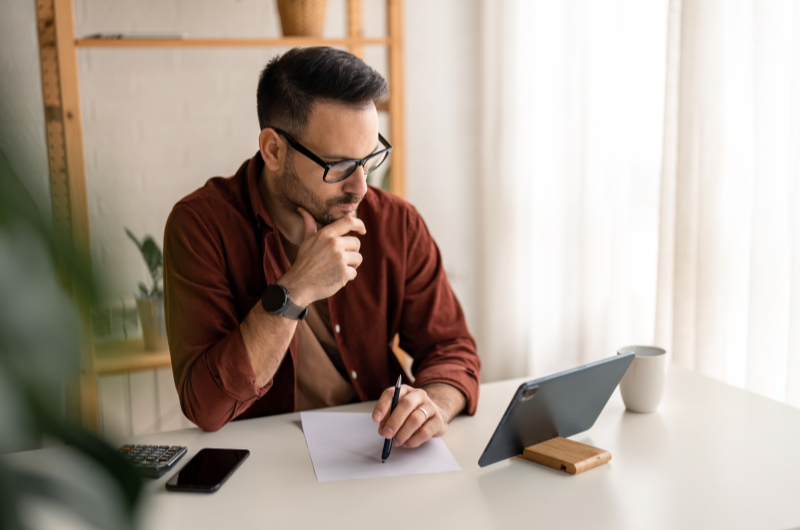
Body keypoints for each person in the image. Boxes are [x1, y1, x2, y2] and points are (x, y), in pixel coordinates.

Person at [163, 47, 480, 450]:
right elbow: (205, 406)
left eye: (370, 158)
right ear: (273, 150)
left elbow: (452, 349)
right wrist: (294, 290)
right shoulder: (201, 226)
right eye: (340, 166)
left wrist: (431, 404)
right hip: (264, 468)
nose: (361, 186)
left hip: (374, 454)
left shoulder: (396, 223)